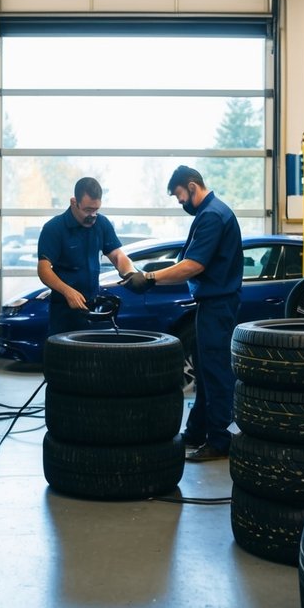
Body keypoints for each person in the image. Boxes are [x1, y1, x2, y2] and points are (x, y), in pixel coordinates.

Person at [122, 165, 242, 462]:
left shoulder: (213, 215)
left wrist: (150, 279)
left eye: (179, 195)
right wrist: (154, 271)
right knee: (204, 370)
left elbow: (193, 265)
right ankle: (197, 431)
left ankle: (220, 441)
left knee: (216, 373)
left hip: (218, 305)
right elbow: (185, 259)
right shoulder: (209, 213)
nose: (179, 202)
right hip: (211, 305)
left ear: (191, 186)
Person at [37, 176, 138, 335]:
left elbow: (118, 255)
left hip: (92, 307)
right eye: (88, 210)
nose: (92, 215)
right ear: (73, 202)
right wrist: (67, 291)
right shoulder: (54, 228)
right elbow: (44, 269)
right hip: (63, 312)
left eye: (96, 209)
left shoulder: (102, 224)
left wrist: (131, 273)